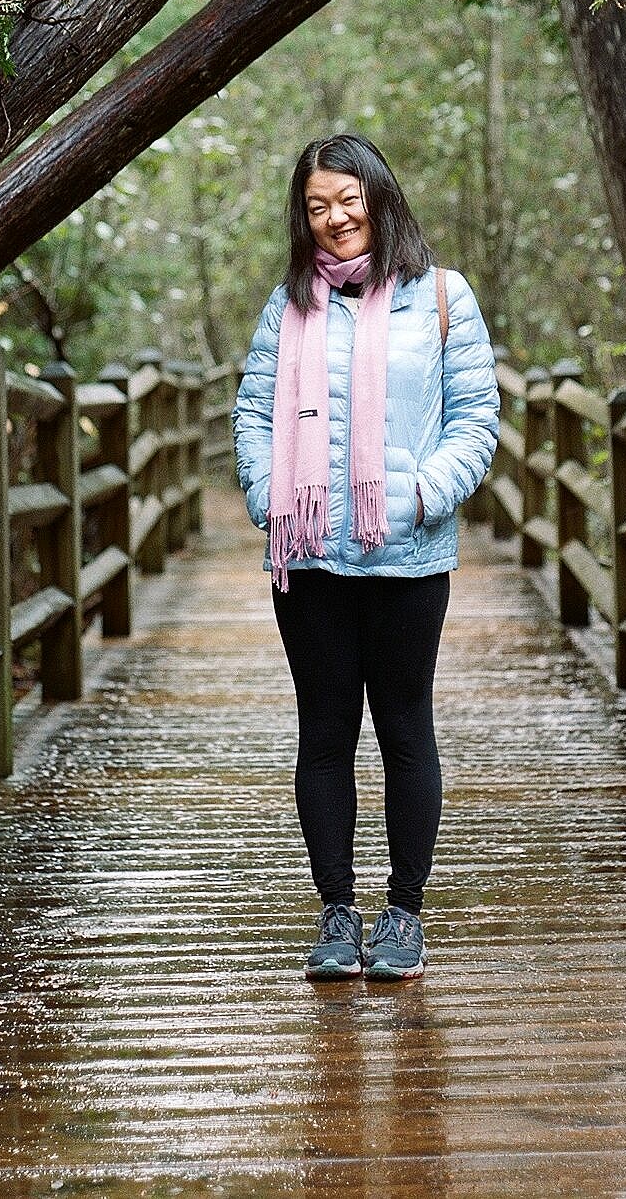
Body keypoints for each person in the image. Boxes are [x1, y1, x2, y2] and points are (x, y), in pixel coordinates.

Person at [232, 133, 499, 982]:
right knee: (324, 735)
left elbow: (476, 422)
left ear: (379, 197)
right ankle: (337, 913)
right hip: (308, 557)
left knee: (405, 732)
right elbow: (252, 411)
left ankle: (405, 914)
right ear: (303, 215)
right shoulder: (290, 305)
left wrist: (421, 495)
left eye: (347, 198)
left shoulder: (444, 297)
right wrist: (271, 496)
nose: (335, 216)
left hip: (408, 556)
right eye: (317, 205)